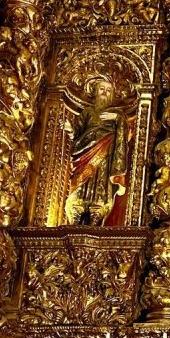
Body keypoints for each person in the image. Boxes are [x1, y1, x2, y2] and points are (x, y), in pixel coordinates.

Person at [64, 76, 130, 226]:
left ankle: (96, 212)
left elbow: (125, 135)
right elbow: (78, 133)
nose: (105, 92)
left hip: (105, 153)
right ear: (95, 92)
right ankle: (76, 211)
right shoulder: (87, 112)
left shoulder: (117, 113)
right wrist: (70, 129)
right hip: (84, 151)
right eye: (102, 89)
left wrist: (118, 119)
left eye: (108, 90)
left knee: (100, 181)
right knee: (81, 182)